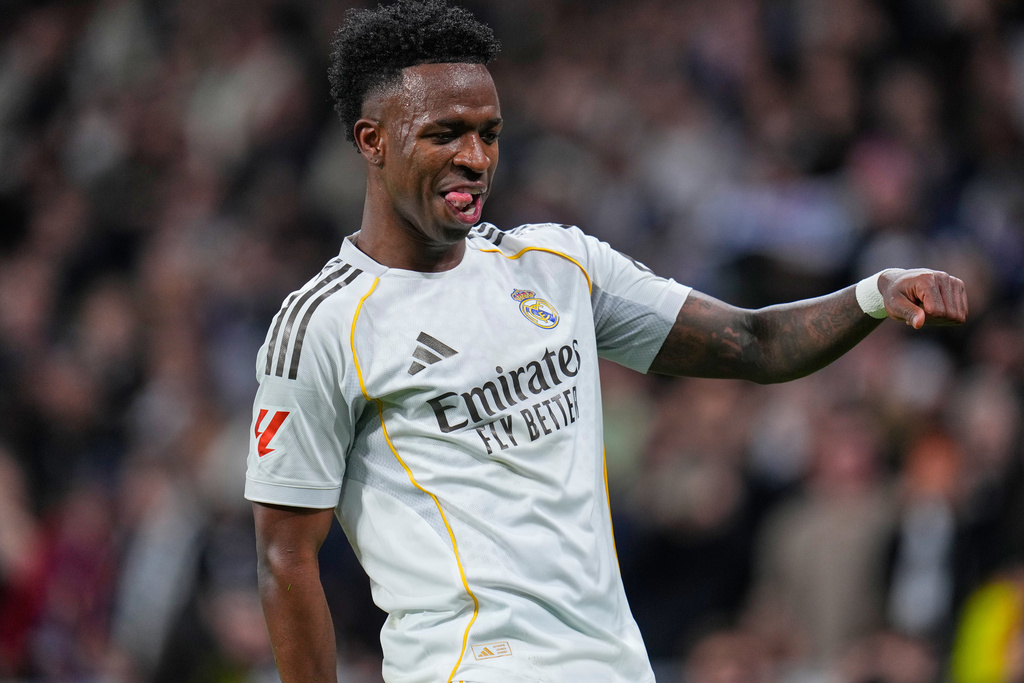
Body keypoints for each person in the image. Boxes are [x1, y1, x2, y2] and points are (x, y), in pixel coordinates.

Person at [244, 2, 968, 682]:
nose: (475, 156)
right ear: (371, 140)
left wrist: (875, 292)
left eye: (489, 133)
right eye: (445, 133)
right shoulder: (323, 326)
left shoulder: (557, 266)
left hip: (613, 663)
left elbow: (754, 341)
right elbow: (286, 555)